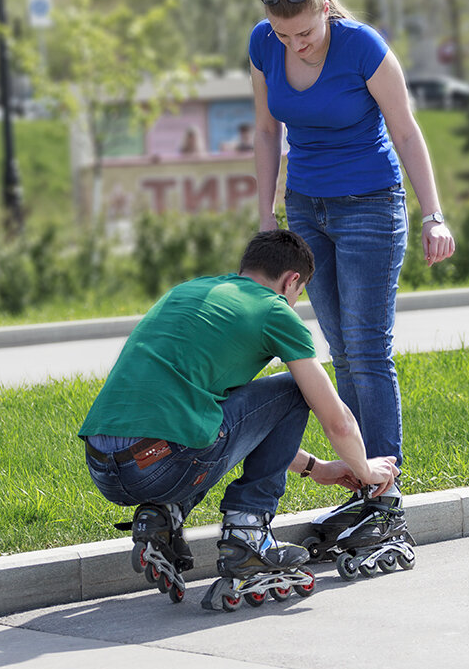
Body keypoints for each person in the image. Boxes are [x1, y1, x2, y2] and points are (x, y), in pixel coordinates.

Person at [78, 229, 399, 607]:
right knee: (297, 389)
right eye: (300, 293)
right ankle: (248, 533)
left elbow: (231, 427)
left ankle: (163, 514)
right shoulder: (274, 310)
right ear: (291, 280)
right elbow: (337, 420)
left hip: (105, 466)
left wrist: (316, 468)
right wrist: (365, 469)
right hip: (162, 466)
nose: (295, 302)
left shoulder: (189, 292)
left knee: (200, 427)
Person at [249, 0, 455, 540]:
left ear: (326, 10)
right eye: (285, 35)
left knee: (367, 350)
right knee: (340, 348)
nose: (296, 44)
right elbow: (267, 131)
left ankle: (384, 502)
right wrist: (267, 213)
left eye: (306, 33)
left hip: (370, 205)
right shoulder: (265, 44)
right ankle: (367, 483)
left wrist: (434, 215)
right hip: (307, 208)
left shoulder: (362, 46)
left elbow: (406, 129)